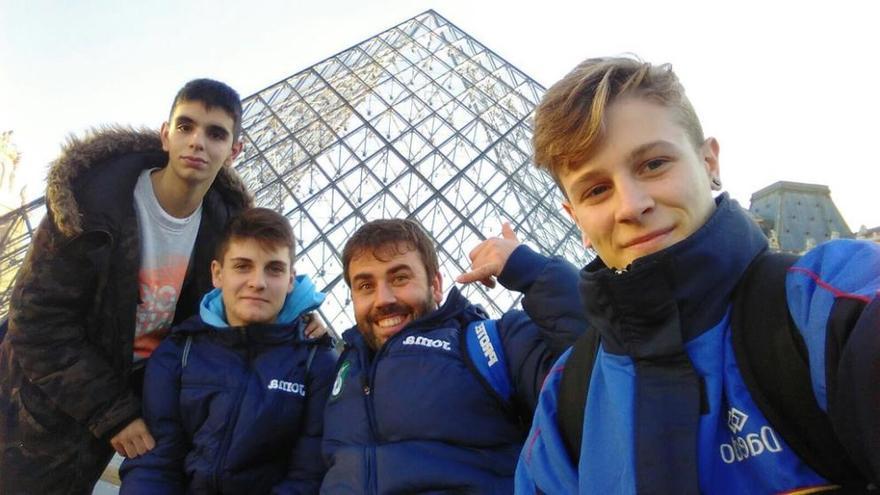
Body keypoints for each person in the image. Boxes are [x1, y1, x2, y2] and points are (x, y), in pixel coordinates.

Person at [515, 55, 880, 493]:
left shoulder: (831, 303)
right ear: (576, 219)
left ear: (709, 162)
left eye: (653, 164)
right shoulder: (563, 403)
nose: (631, 205)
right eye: (597, 190)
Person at [0, 79, 253, 494]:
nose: (197, 142)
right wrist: (113, 412)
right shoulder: (89, 204)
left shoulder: (227, 236)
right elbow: (36, 321)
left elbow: (240, 312)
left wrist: (299, 314)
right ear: (165, 134)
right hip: (30, 405)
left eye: (215, 133)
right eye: (186, 126)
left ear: (234, 151)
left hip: (108, 421)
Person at [320, 218, 585, 494]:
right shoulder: (338, 369)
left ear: (435, 285)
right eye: (365, 286)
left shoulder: (496, 343)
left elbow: (599, 375)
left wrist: (533, 271)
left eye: (400, 278)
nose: (383, 299)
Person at [119, 207, 336, 494]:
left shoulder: (318, 363)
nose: (257, 282)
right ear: (217, 274)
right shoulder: (178, 352)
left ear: (291, 280)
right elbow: (156, 463)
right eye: (242, 266)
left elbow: (308, 475)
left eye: (274, 269)